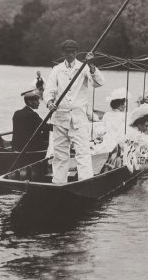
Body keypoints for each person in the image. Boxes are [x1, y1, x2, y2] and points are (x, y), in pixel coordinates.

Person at [44, 39, 105, 184]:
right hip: (60, 118)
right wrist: (50, 102)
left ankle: (86, 183)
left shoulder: (84, 67)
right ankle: (59, 182)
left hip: (79, 119)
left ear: (76, 52)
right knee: (60, 154)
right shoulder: (57, 69)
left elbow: (99, 83)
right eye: (67, 52)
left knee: (83, 153)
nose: (70, 54)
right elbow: (49, 90)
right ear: (63, 53)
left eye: (72, 51)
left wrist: (90, 65)